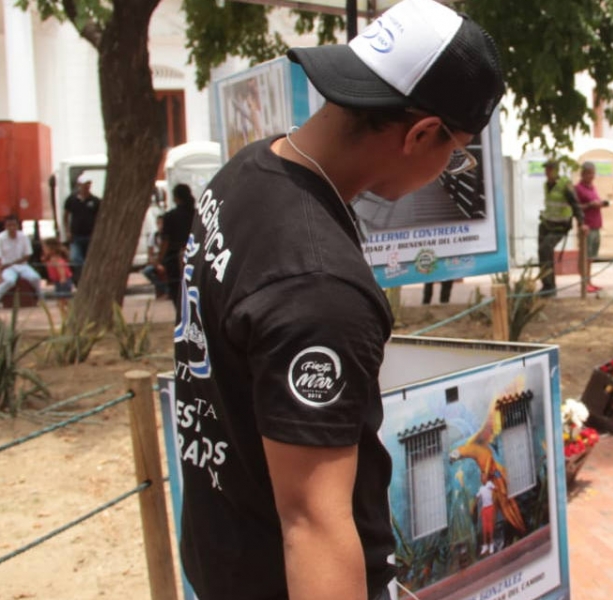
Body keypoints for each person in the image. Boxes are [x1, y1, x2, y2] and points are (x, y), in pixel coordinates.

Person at [171, 1, 505, 599]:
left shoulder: (247, 171)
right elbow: (314, 525)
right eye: (454, 150)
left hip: (219, 552)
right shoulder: (318, 285)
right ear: (422, 133)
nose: (449, 164)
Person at [537, 160, 585, 295]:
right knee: (542, 253)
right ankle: (547, 285)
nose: (547, 172)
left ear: (556, 170)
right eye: (546, 169)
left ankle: (550, 287)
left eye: (550, 169)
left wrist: (581, 223)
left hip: (560, 226)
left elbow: (575, 204)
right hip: (546, 224)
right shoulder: (547, 184)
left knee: (545, 248)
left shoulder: (565, 185)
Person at [0, 215, 44, 310]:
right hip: (7, 268)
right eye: (9, 225)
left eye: (14, 225)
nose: (12, 228)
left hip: (22, 265)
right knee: (10, 281)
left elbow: (27, 255)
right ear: (5, 226)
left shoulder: (23, 236)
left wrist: (12, 263)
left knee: (35, 277)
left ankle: (40, 298)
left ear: (17, 226)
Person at [160, 183, 194, 323]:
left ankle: (181, 316)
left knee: (176, 288)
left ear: (176, 198)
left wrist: (160, 258)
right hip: (194, 255)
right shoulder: (196, 214)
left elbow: (165, 240)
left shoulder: (170, 216)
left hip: (174, 256)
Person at [574, 161, 609, 292]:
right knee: (585, 256)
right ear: (583, 173)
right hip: (586, 227)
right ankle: (584, 283)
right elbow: (576, 207)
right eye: (588, 173)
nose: (591, 176)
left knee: (591, 257)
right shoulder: (578, 188)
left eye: (593, 173)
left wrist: (600, 203)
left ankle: (589, 281)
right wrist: (589, 205)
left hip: (596, 226)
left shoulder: (593, 187)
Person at [63, 171, 100, 284]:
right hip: (76, 235)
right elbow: (66, 216)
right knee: (75, 258)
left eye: (88, 184)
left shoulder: (95, 201)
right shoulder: (72, 200)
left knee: (90, 260)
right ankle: (80, 279)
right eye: (84, 184)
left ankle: (89, 280)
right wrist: (67, 231)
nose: (86, 187)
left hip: (90, 235)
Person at [41, 237, 73, 317]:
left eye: (45, 248)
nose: (44, 250)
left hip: (62, 281)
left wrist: (62, 278)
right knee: (62, 301)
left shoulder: (56, 259)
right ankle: (66, 315)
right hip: (58, 281)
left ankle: (67, 316)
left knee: (63, 301)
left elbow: (61, 268)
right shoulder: (50, 259)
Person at [142, 216, 168, 300]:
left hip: (167, 260)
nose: (160, 225)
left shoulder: (168, 235)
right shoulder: (154, 236)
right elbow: (150, 254)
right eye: (158, 223)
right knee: (147, 271)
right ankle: (163, 289)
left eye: (162, 223)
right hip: (157, 262)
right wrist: (157, 265)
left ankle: (168, 292)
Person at [477, 478, 497, 556]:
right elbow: (477, 497)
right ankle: (485, 545)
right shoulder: (481, 488)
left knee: (490, 527)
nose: (483, 478)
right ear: (481, 480)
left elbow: (496, 490)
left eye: (484, 476)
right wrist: (472, 507)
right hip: (484, 509)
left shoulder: (489, 484)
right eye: (482, 477)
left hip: (490, 507)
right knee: (484, 528)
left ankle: (491, 544)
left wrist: (494, 500)